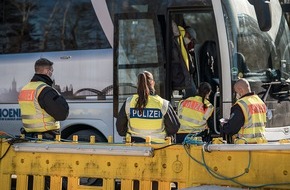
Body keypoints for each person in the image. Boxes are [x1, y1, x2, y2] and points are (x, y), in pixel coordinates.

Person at [116, 71, 180, 143]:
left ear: (138, 84)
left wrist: (130, 135)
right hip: (159, 147)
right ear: (153, 83)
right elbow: (174, 128)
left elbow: (120, 129)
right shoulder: (163, 104)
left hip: (134, 146)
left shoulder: (129, 102)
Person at [18, 58, 69, 140]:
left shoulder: (24, 89)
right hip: (46, 138)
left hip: (28, 137)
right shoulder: (44, 90)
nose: (52, 73)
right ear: (47, 71)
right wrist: (60, 97)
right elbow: (62, 114)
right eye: (51, 70)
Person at [220, 78, 267, 143]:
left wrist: (224, 125)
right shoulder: (260, 102)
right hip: (260, 144)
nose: (235, 95)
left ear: (240, 90)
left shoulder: (240, 105)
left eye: (236, 92)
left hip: (244, 146)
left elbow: (232, 128)